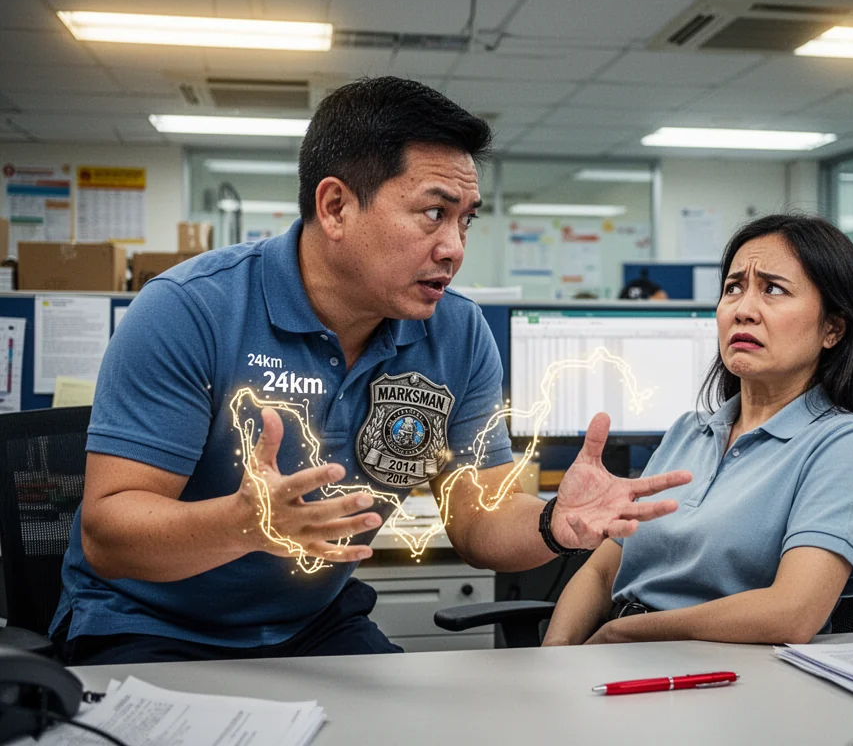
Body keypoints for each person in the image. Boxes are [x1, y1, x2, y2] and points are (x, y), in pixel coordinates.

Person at [50, 77, 689, 665]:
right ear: (334, 208)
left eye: (466, 220)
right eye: (433, 213)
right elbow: (110, 531)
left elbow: (478, 519)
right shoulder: (191, 310)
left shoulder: (455, 333)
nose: (455, 248)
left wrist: (553, 523)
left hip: (313, 625)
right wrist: (244, 524)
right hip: (147, 624)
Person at [543, 213, 853, 647]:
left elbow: (793, 613)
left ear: (832, 328)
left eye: (774, 289)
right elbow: (602, 570)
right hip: (625, 658)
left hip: (722, 675)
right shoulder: (690, 431)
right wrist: (554, 661)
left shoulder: (843, 444)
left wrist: (623, 631)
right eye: (733, 288)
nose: (743, 310)